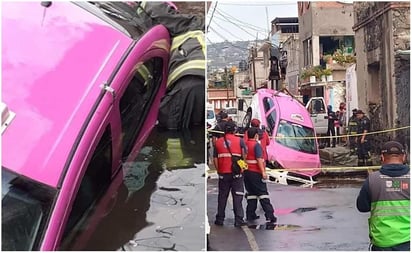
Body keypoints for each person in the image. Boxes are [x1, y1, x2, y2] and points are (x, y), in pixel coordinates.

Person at [129, 1, 206, 130]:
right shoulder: (198, 31)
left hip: (191, 84)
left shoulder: (187, 25)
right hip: (195, 83)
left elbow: (155, 8)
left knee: (172, 134)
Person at [356, 141, 410, 251]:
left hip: (382, 242)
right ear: (404, 157)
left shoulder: (372, 180)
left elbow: (362, 207)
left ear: (382, 157)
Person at [213, 121, 247, 227]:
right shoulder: (239, 140)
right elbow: (244, 155)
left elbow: (215, 158)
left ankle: (220, 219)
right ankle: (239, 220)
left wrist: (219, 170)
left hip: (223, 173)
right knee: (237, 196)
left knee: (222, 196)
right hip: (236, 173)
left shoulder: (218, 142)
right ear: (234, 130)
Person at [244, 127, 277, 228]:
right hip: (256, 172)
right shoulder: (256, 145)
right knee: (263, 194)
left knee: (251, 194)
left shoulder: (245, 145)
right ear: (256, 135)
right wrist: (263, 172)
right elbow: (259, 159)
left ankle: (250, 214)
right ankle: (270, 215)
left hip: (247, 172)